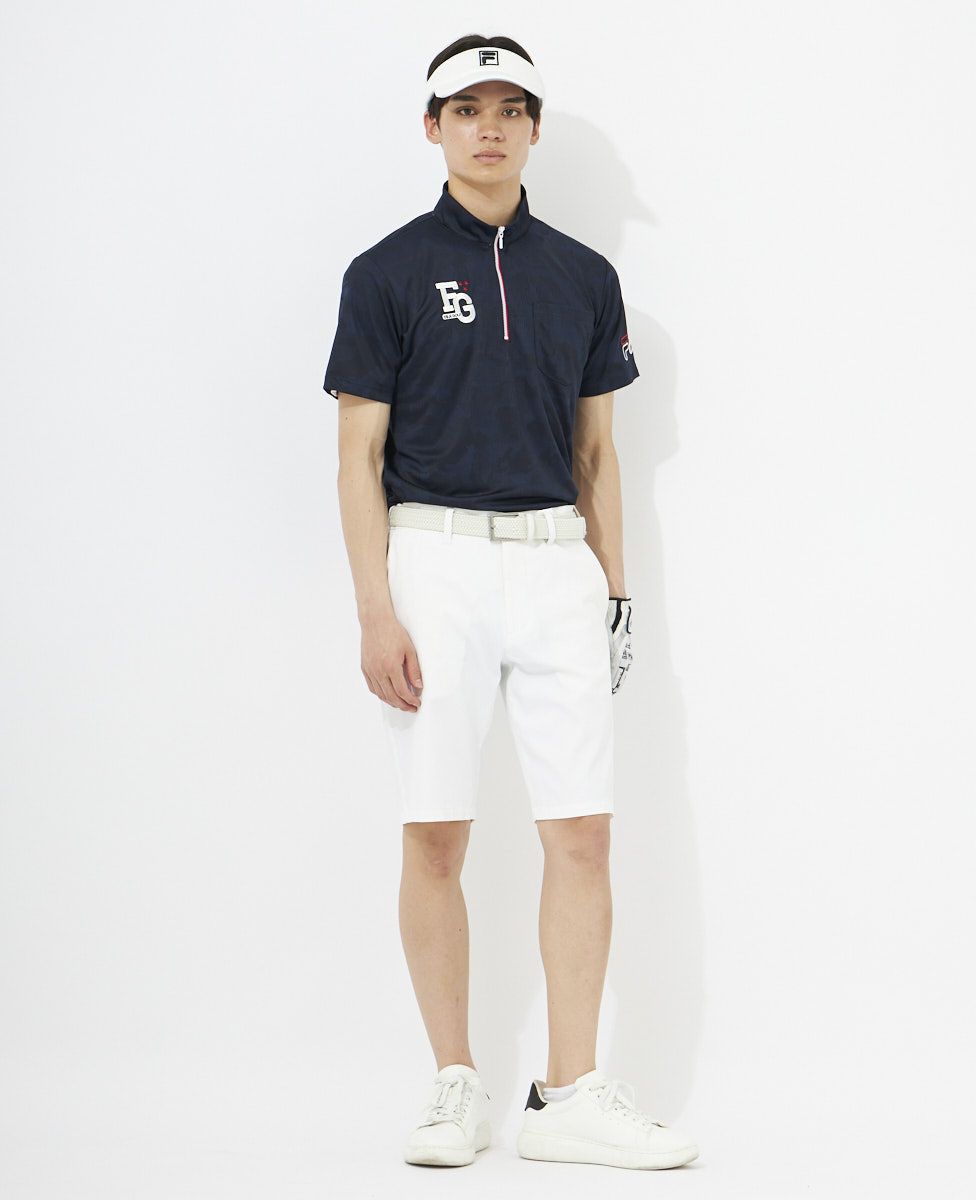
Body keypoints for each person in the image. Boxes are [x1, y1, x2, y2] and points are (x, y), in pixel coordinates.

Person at [322, 32, 698, 1172]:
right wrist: (375, 610)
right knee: (435, 829)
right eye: (466, 108)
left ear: (532, 127)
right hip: (432, 561)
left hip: (555, 566)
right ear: (432, 127)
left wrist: (614, 593)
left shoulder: (582, 276)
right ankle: (454, 1082)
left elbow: (598, 453)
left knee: (581, 829)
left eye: (509, 109)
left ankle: (569, 1093)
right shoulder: (384, 272)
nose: (489, 127)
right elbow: (357, 455)